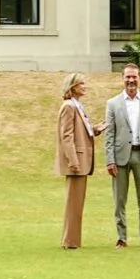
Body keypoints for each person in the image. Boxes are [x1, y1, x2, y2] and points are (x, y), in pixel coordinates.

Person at [103, 63, 140, 247]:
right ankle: (121, 237)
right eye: (127, 77)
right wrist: (109, 160)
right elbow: (109, 134)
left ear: (139, 78)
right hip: (120, 158)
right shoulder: (113, 103)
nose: (131, 80)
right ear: (122, 79)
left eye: (134, 77)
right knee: (119, 200)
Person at [54, 72, 101, 250]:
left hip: (82, 160)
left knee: (76, 202)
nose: (85, 86)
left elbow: (81, 131)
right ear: (73, 87)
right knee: (73, 203)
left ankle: (72, 239)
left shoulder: (77, 106)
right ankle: (70, 240)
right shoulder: (68, 107)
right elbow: (66, 136)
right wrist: (73, 160)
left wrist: (96, 129)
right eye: (82, 84)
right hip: (77, 162)